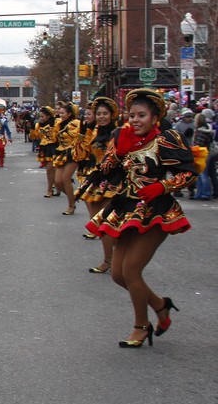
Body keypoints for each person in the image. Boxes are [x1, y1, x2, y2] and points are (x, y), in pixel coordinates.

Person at [85, 88, 196, 348]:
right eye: (132, 115)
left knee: (132, 270)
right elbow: (106, 170)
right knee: (118, 275)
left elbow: (189, 172)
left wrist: (163, 186)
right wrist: (119, 153)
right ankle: (160, 305)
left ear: (155, 117)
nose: (135, 120)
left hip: (157, 210)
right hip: (126, 209)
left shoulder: (167, 139)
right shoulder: (120, 136)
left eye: (142, 115)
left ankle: (141, 326)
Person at [75, 97, 120, 273]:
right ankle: (111, 258)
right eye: (98, 113)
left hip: (114, 180)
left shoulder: (119, 132)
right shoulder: (92, 132)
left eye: (105, 113)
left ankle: (111, 260)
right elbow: (80, 155)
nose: (101, 117)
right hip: (96, 178)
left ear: (112, 114)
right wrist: (82, 133)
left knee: (108, 222)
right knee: (100, 224)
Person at [53, 101, 81, 215]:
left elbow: (79, 137)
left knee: (65, 179)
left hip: (73, 153)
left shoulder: (75, 123)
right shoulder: (59, 123)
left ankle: (71, 205)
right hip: (61, 152)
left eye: (63, 113)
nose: (60, 115)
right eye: (60, 113)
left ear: (69, 114)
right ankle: (72, 197)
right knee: (58, 182)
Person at [31, 106, 58, 197]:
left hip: (54, 147)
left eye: (42, 116)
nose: (40, 118)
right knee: (49, 170)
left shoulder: (56, 123)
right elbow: (34, 137)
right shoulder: (38, 125)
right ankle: (51, 189)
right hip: (44, 148)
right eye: (40, 116)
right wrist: (32, 128)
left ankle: (53, 188)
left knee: (53, 170)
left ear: (48, 116)